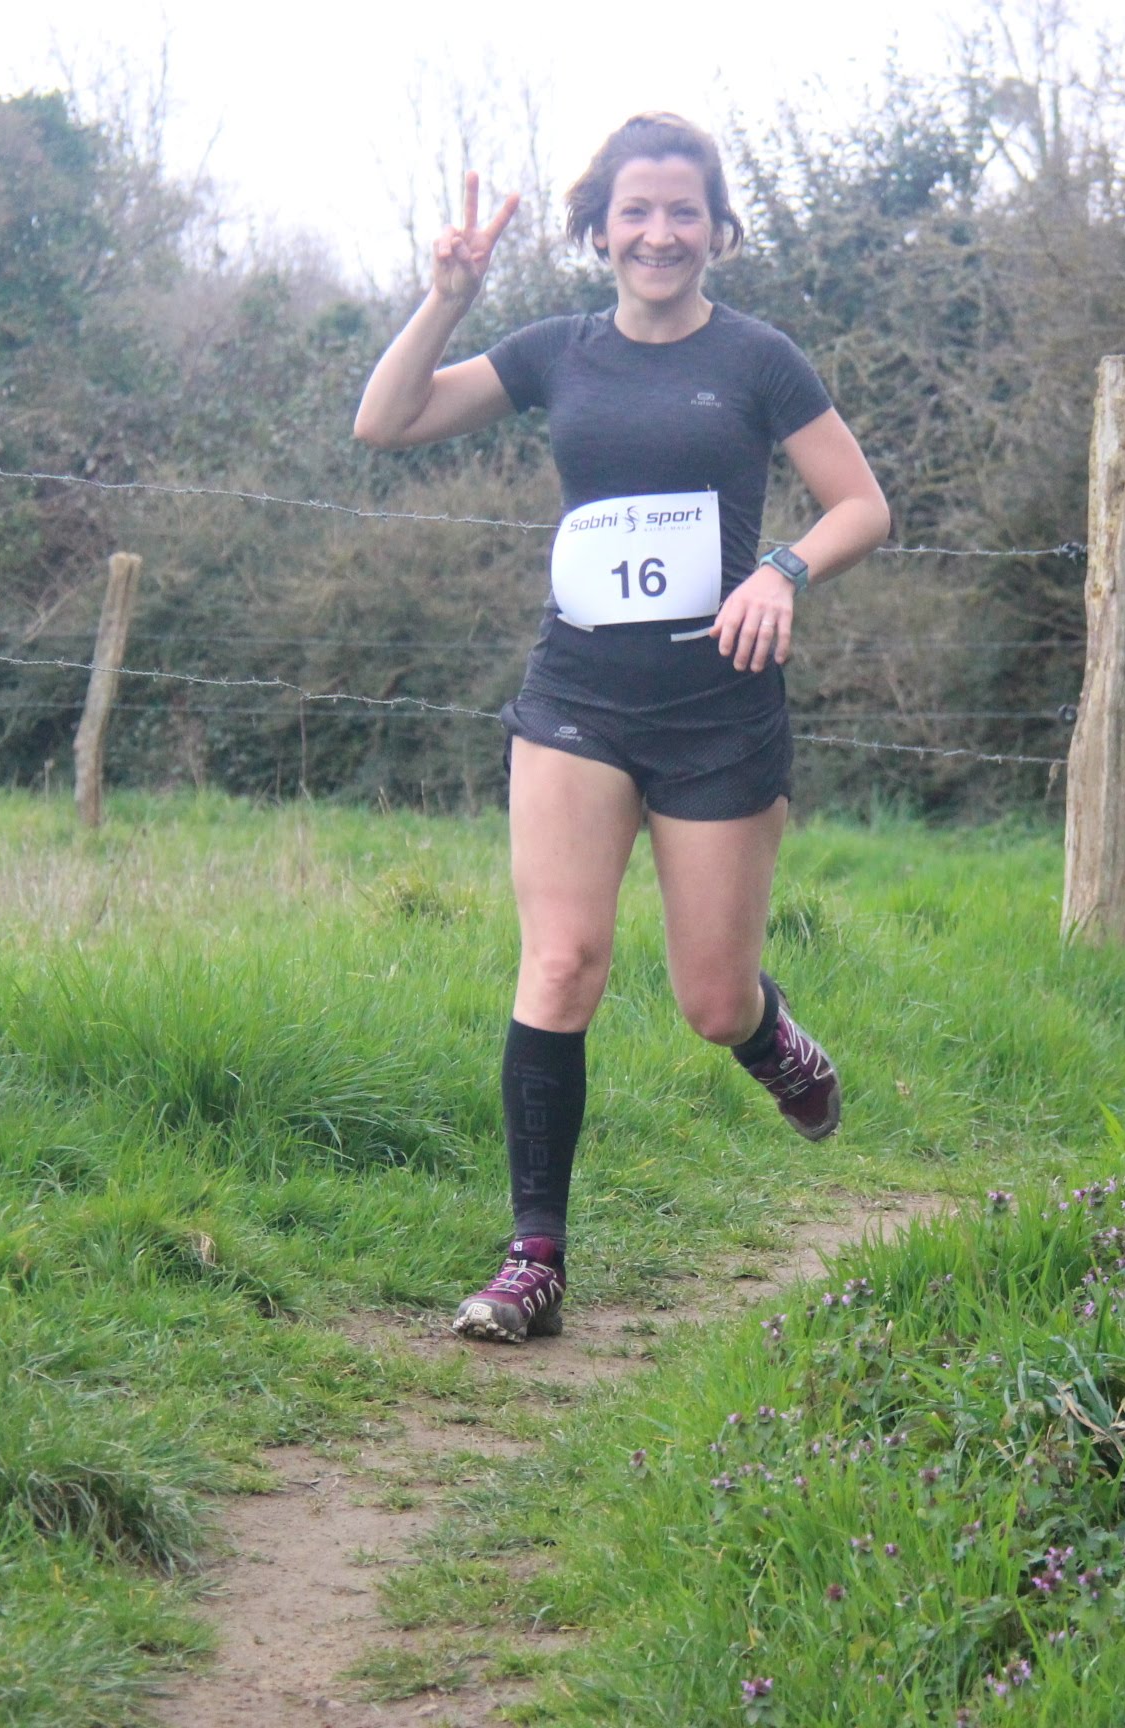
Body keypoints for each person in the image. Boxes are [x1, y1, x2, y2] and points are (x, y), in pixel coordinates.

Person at [352, 114, 891, 1344]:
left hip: (718, 710)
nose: (659, 233)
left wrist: (783, 572)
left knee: (711, 1002)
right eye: (634, 212)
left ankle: (772, 1038)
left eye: (682, 211)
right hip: (577, 701)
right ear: (598, 231)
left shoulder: (758, 359)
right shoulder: (556, 351)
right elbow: (384, 421)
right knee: (560, 964)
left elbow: (861, 505)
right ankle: (533, 1260)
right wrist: (446, 300)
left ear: (717, 228)